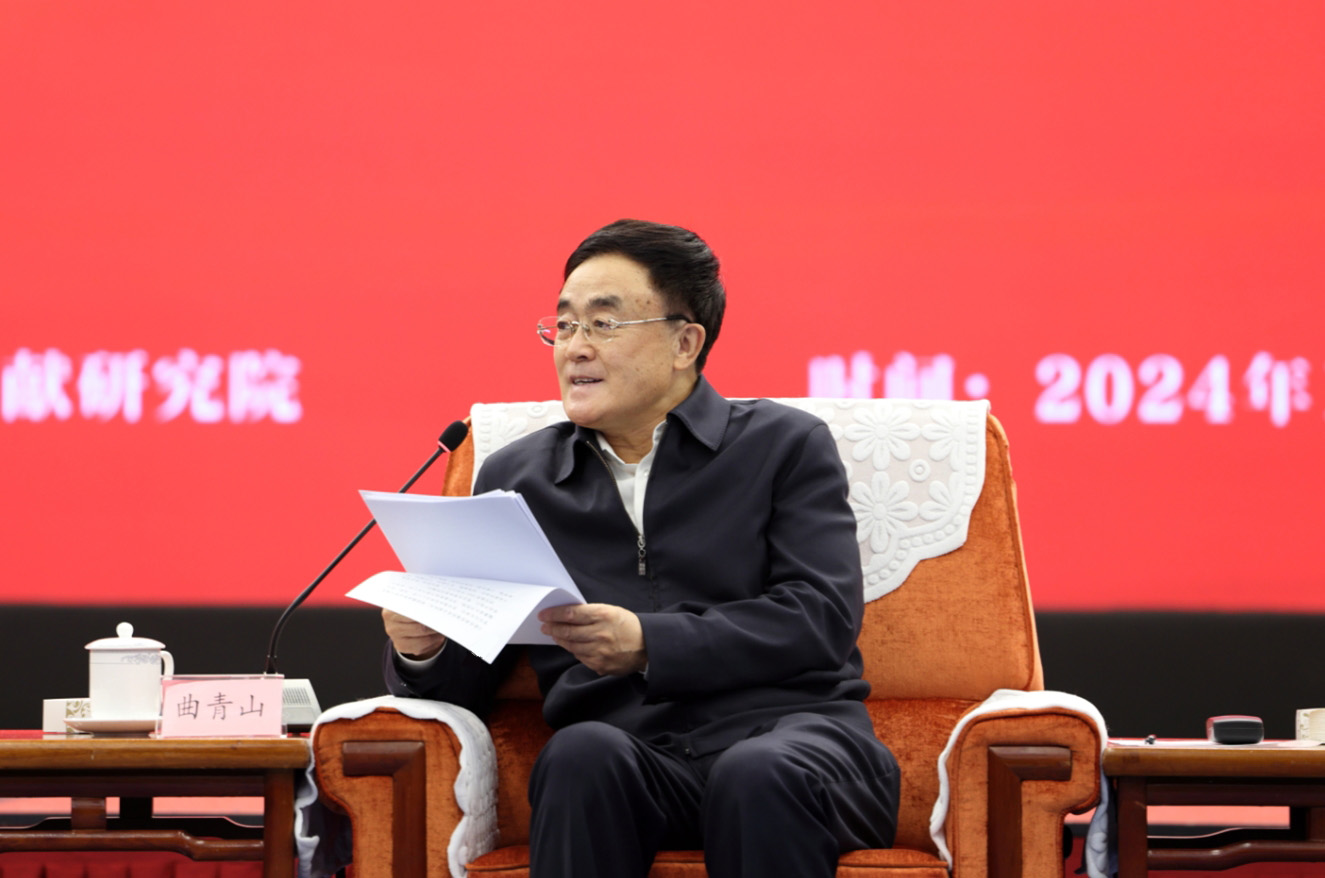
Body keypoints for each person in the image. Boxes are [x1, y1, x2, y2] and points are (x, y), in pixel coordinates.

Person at [381, 219, 900, 878]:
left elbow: (819, 619)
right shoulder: (518, 477)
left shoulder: (783, 445)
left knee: (756, 772)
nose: (575, 348)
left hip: (797, 745)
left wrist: (650, 642)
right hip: (636, 758)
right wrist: (423, 650)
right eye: (564, 325)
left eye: (604, 324)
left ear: (685, 343)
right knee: (579, 756)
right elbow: (471, 678)